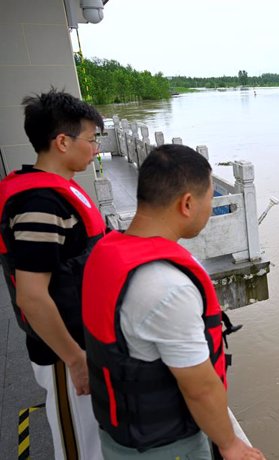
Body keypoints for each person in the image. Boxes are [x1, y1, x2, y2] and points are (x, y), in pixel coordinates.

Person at [82, 144, 265, 460]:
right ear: (188, 204)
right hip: (167, 448)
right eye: (211, 198)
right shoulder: (168, 288)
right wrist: (231, 444)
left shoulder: (105, 252)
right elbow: (200, 388)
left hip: (120, 438)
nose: (211, 208)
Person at [0, 89, 106, 459]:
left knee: (95, 434)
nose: (95, 149)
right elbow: (31, 295)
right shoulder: (39, 205)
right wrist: (75, 359)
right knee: (79, 444)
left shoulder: (59, 193)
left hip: (83, 338)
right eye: (91, 139)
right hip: (64, 350)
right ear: (62, 142)